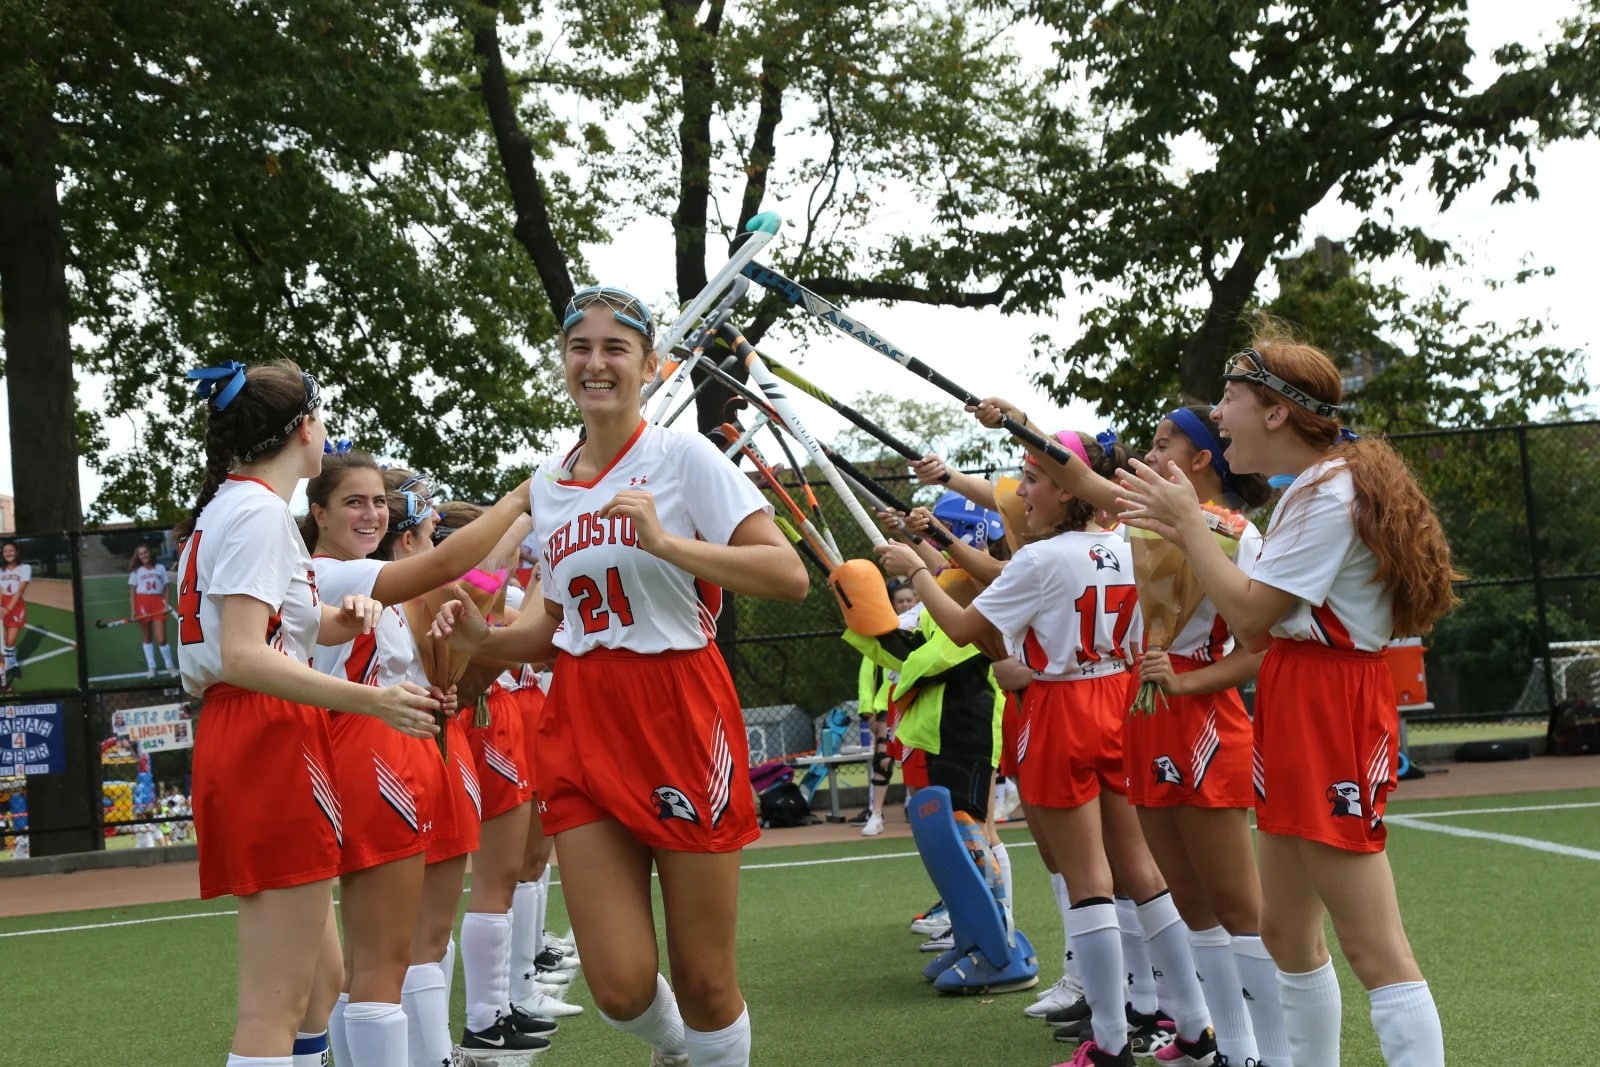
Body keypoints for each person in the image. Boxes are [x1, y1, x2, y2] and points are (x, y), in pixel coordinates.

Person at [432, 285, 808, 1067]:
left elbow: (786, 573)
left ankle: (703, 1048)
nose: (595, 363)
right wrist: (484, 636)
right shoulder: (546, 485)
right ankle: (676, 1052)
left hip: (679, 709)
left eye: (614, 348)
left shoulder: (683, 457)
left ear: (647, 364)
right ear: (564, 362)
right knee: (619, 987)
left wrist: (669, 544)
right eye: (581, 348)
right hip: (581, 716)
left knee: (706, 978)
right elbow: (551, 628)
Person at [1118, 339, 1458, 1067]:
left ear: (1275, 410)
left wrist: (1186, 522)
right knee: (1286, 934)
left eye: (1230, 397)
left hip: (1330, 701)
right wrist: (1187, 518)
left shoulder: (1330, 491)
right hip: (1300, 693)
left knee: (1373, 944)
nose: (1218, 414)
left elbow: (1249, 617)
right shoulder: (1313, 488)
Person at [880, 431, 1214, 1067]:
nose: (1020, 492)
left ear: (1068, 488)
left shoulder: (1041, 560)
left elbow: (962, 627)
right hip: (1126, 700)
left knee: (1087, 878)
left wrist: (917, 570)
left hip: (1063, 708)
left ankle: (1112, 1041)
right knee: (1141, 873)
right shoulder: (1133, 543)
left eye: (1032, 478)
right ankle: (1193, 1024)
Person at [976, 399, 1292, 1064]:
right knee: (1187, 897)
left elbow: (1262, 647)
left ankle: (1272, 1051)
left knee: (1237, 902)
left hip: (1200, 719)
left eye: (1163, 444)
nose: (1147, 457)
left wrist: (1187, 681)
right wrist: (1017, 425)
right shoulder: (1149, 517)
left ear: (1202, 460)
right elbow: (1086, 483)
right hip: (1143, 715)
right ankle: (1222, 1046)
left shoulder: (1236, 532)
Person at [174, 359, 441, 1067]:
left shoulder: (238, 506)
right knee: (276, 1004)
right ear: (301, 429)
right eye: (321, 418)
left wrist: (338, 622)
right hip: (265, 732)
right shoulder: (259, 511)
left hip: (252, 731)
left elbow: (273, 630)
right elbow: (243, 653)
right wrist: (370, 697)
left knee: (322, 985)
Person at [299, 452, 544, 1067]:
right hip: (371, 749)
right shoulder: (332, 575)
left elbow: (472, 599)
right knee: (380, 957)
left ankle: (436, 1054)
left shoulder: (369, 577)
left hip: (416, 744)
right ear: (319, 513)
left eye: (379, 502)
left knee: (420, 942)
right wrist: (523, 506)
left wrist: (452, 670)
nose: (371, 513)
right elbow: (469, 576)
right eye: (355, 502)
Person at [129, 544, 179, 678]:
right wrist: (134, 611)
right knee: (147, 637)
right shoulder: (136, 571)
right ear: (138, 557)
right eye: (140, 554)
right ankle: (151, 667)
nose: (143, 555)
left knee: (162, 638)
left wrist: (165, 605)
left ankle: (170, 666)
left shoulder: (160, 568)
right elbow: (133, 592)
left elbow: (167, 588)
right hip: (142, 603)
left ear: (149, 553)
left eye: (145, 552)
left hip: (157, 602)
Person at [0, 540, 30, 688]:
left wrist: (7, 609)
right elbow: (0, 590)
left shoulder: (25, 568)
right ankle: (14, 665)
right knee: (4, 642)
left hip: (16, 605)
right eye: (5, 551)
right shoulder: (1, 570)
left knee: (10, 643)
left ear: (16, 552)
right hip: (3, 604)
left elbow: (20, 591)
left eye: (11, 550)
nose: (8, 553)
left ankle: (10, 666)